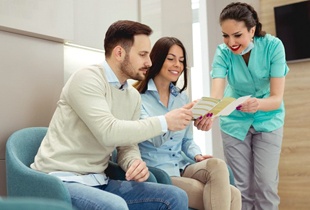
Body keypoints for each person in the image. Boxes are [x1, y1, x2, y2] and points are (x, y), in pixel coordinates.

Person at [31, 20, 194, 210]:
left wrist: (134, 162)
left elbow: (127, 145)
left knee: (175, 196)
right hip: (61, 181)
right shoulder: (87, 79)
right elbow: (108, 132)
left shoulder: (132, 95)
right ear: (119, 53)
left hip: (100, 181)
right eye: (142, 55)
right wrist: (164, 122)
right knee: (114, 206)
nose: (149, 62)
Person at [134, 36, 241, 210]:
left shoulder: (181, 97)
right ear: (157, 59)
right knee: (232, 196)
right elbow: (154, 139)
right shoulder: (138, 99)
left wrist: (197, 155)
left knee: (218, 165)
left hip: (182, 167)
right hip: (159, 173)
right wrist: (175, 118)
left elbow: (187, 141)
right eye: (171, 59)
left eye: (181, 60)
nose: (177, 64)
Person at [210, 2, 289, 210]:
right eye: (225, 36)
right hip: (234, 122)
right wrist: (208, 113)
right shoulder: (223, 52)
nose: (231, 42)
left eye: (237, 35)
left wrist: (257, 104)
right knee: (240, 189)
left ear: (252, 30)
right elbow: (216, 94)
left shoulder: (273, 47)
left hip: (268, 119)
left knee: (266, 186)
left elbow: (276, 98)